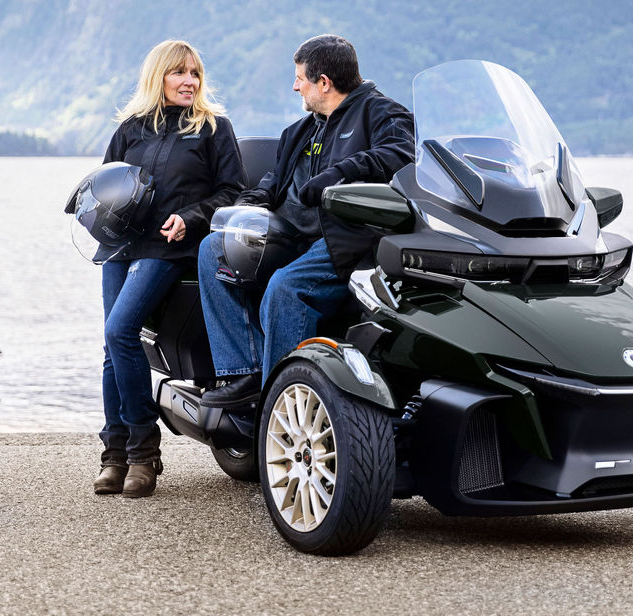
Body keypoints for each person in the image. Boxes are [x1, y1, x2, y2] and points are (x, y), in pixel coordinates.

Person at [198, 34, 414, 407]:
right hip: (288, 238)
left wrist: (338, 175)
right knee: (213, 249)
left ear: (324, 82)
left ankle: (279, 406)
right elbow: (272, 184)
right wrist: (248, 205)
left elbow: (401, 154)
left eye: (300, 77)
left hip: (344, 241)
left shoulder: (382, 114)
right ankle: (245, 374)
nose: (295, 85)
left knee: (285, 288)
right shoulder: (299, 131)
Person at [92, 40, 244, 497]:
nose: (189, 82)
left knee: (121, 332)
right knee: (111, 348)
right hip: (120, 248)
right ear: (158, 77)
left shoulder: (214, 128)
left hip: (166, 248)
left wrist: (191, 218)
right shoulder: (131, 129)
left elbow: (233, 191)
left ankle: (144, 450)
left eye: (194, 74)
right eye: (179, 73)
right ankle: (114, 455)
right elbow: (105, 186)